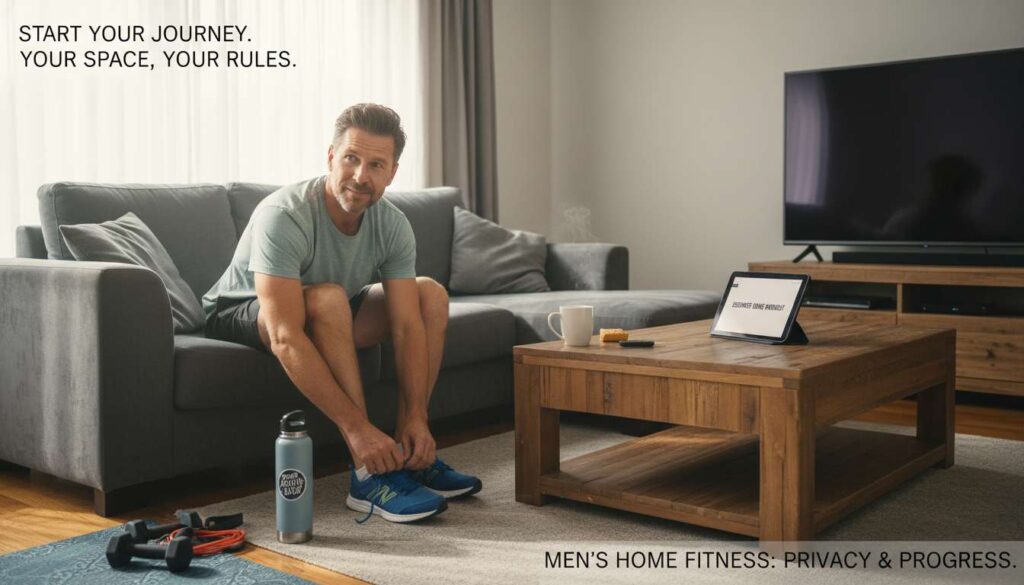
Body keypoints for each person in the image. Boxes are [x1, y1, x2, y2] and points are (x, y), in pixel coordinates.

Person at [203, 103, 480, 523]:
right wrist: (359, 429)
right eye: (351, 158)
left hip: (327, 302)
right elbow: (285, 335)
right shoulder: (284, 214)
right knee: (330, 298)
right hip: (243, 309)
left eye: (375, 164)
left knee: (431, 296)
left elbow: (407, 325)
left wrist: (417, 418)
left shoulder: (393, 223)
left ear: (392, 173)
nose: (360, 176)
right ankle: (368, 475)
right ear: (331, 157)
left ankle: (411, 455)